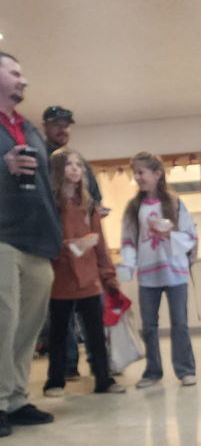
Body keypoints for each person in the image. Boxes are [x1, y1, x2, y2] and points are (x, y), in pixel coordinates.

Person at [0, 51, 61, 437]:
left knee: (27, 325)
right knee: (3, 322)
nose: (23, 80)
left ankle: (17, 397)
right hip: (3, 236)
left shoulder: (29, 128)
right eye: (15, 72)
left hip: (39, 240)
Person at [44, 148, 125, 397]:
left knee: (95, 333)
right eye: (69, 165)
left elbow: (100, 243)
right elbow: (46, 242)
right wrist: (71, 245)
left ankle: (103, 379)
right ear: (58, 170)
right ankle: (55, 381)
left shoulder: (89, 205)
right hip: (61, 277)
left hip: (89, 278)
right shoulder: (50, 205)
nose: (75, 169)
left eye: (78, 165)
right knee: (58, 332)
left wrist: (109, 276)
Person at [119, 151, 198, 389]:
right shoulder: (134, 207)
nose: (138, 177)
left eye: (141, 172)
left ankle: (186, 370)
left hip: (175, 272)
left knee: (180, 323)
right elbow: (128, 238)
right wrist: (128, 266)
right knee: (149, 325)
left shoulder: (174, 203)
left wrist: (168, 233)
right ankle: (153, 371)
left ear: (157, 174)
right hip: (148, 274)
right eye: (136, 173)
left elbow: (189, 236)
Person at [41, 105, 104, 379]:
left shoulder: (82, 163)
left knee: (93, 322)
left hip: (87, 265)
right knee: (59, 324)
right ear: (45, 125)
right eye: (57, 124)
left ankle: (99, 370)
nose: (62, 129)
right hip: (54, 263)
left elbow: (95, 203)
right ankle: (64, 370)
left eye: (66, 124)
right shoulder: (40, 161)